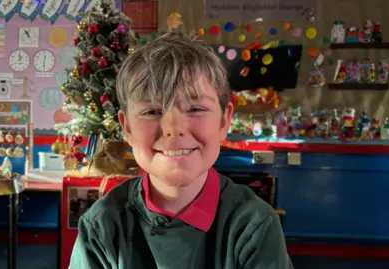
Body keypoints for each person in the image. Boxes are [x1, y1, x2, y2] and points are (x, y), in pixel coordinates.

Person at [69, 31, 293, 269]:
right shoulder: (102, 225)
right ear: (127, 127)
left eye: (195, 108)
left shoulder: (254, 227)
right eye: (152, 111)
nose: (173, 129)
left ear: (224, 121)